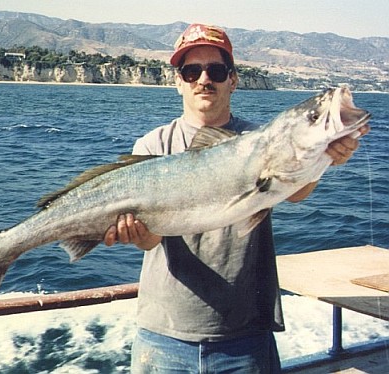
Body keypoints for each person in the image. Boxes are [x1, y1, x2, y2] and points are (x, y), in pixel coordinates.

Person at [104, 23, 369, 373]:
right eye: (191, 71)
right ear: (178, 82)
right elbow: (152, 239)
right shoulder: (153, 147)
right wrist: (137, 233)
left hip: (245, 338)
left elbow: (293, 190)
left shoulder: (258, 139)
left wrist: (327, 157)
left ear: (233, 80)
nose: (203, 79)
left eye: (215, 70)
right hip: (164, 334)